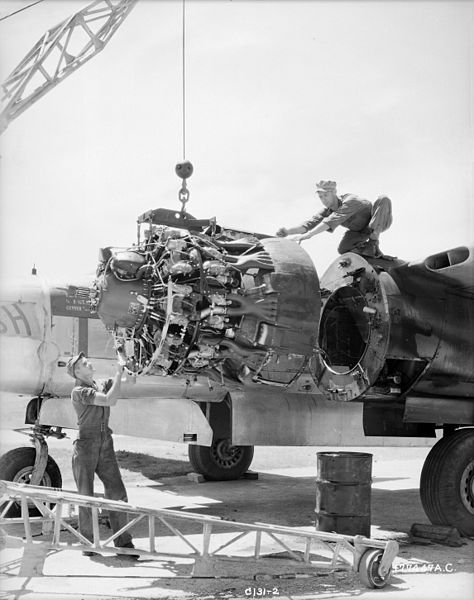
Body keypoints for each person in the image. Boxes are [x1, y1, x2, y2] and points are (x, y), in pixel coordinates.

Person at [66, 352, 139, 559]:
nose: (89, 363)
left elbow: (129, 382)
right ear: (77, 372)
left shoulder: (100, 383)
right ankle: (88, 544)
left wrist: (128, 366)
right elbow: (108, 401)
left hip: (105, 443)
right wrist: (117, 373)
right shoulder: (79, 391)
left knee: (118, 494)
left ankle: (123, 543)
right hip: (86, 445)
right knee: (86, 497)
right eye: (84, 363)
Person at [276, 180, 393, 258]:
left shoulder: (350, 201)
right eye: (320, 197)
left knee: (383, 199)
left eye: (325, 195)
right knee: (343, 249)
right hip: (358, 231)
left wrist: (308, 236)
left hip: (378, 221)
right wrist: (287, 232)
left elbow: (331, 221)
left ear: (334, 193)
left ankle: (373, 244)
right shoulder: (327, 211)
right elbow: (307, 225)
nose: (323, 199)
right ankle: (367, 252)